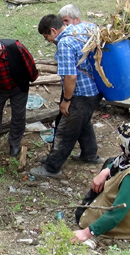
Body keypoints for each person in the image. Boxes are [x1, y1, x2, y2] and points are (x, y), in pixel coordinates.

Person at [30, 15, 102, 178]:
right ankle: (90, 155)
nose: (47, 40)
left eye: (46, 36)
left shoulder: (65, 44)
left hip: (81, 92)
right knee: (82, 123)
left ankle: (52, 167)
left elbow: (70, 77)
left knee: (65, 130)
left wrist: (66, 101)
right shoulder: (80, 29)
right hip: (95, 89)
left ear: (54, 30)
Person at [0, 37, 38, 158]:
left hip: (18, 87)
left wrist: (32, 78)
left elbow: (29, 63)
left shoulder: (16, 48)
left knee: (18, 116)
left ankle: (14, 143)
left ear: (0, 50)